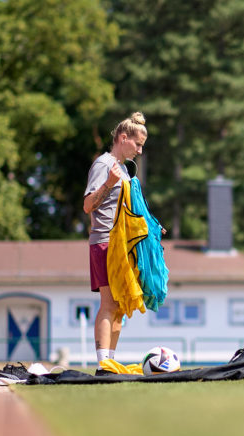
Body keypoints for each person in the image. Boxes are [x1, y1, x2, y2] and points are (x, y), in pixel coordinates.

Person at [83, 112, 147, 365]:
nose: (140, 151)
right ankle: (103, 365)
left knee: (120, 306)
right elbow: (88, 205)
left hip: (121, 245)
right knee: (109, 304)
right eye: (138, 145)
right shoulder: (104, 165)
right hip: (105, 242)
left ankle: (111, 362)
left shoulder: (122, 169)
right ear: (123, 138)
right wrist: (108, 184)